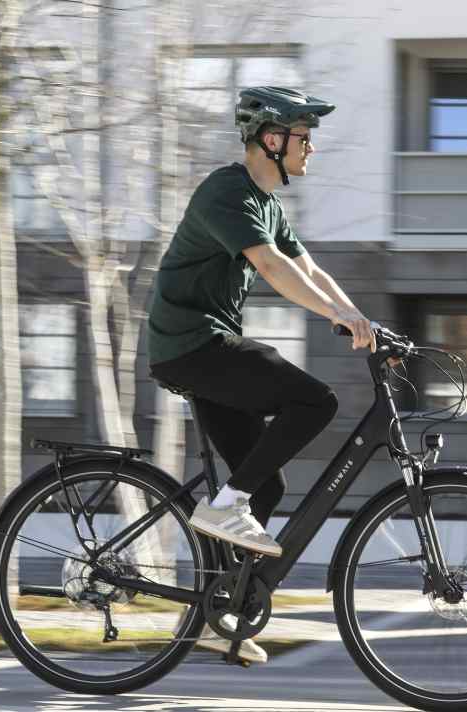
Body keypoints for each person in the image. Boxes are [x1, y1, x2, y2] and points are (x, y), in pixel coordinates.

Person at [147, 87, 377, 661]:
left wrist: (363, 320)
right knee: (315, 402)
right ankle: (225, 506)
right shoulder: (227, 191)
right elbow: (271, 266)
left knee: (265, 485)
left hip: (205, 348)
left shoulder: (267, 205)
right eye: (304, 137)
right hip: (193, 344)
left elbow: (309, 269)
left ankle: (215, 614)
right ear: (272, 139)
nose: (311, 148)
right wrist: (336, 317)